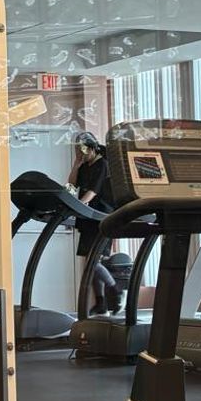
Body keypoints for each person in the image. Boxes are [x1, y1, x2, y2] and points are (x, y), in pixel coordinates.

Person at [70, 133, 121, 315]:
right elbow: (72, 184)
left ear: (91, 148)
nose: (80, 154)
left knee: (92, 262)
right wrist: (76, 164)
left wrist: (78, 206)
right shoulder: (84, 166)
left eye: (82, 150)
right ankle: (101, 302)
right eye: (77, 151)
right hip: (87, 218)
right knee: (89, 262)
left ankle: (114, 290)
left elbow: (93, 191)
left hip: (101, 217)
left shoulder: (103, 165)